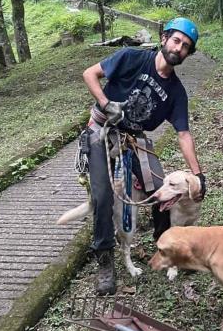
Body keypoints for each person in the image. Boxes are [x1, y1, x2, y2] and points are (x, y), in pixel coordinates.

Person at [82, 17, 206, 295]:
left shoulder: (176, 93)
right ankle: (105, 260)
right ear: (164, 39)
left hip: (133, 138)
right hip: (102, 129)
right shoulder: (131, 57)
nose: (179, 48)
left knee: (162, 188)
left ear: (188, 53)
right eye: (176, 40)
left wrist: (198, 174)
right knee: (103, 196)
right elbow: (89, 74)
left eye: (186, 46)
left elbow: (183, 134)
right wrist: (106, 103)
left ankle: (164, 244)